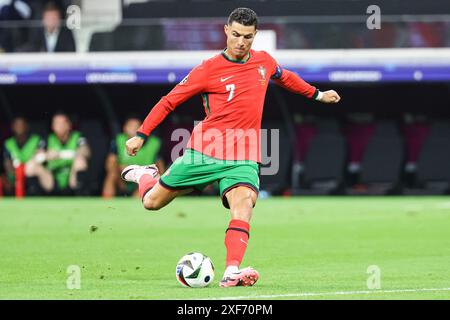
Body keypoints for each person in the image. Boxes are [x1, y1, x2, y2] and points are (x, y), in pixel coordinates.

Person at [121, 7, 341, 287]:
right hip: (205, 151)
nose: (241, 42)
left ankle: (231, 271)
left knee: (244, 203)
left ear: (255, 35)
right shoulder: (208, 69)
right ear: (226, 31)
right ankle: (146, 175)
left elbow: (285, 77)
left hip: (244, 153)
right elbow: (169, 101)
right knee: (151, 203)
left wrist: (318, 95)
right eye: (236, 34)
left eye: (247, 37)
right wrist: (142, 134)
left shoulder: (264, 62)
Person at [25, 112, 90, 195]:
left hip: (71, 178)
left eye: (63, 123)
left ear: (69, 125)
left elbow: (85, 151)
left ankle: (81, 195)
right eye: (57, 123)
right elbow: (35, 156)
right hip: (52, 180)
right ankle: (34, 196)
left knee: (80, 161)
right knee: (31, 165)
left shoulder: (78, 137)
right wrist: (46, 155)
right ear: (52, 126)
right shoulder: (47, 139)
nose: (60, 126)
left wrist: (62, 154)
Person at [102, 115, 164, 198]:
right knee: (111, 175)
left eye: (136, 126)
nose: (133, 129)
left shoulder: (154, 143)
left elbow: (160, 167)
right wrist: (120, 172)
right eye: (130, 126)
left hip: (144, 178)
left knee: (151, 182)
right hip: (122, 177)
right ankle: (106, 204)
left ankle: (132, 205)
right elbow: (110, 163)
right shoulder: (119, 140)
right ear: (124, 128)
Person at [2, 116, 41, 195]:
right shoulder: (8, 143)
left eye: (21, 124)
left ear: (26, 126)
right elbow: (7, 162)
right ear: (12, 127)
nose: (19, 127)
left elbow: (41, 157)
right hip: (14, 176)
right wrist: (11, 176)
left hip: (32, 176)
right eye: (17, 125)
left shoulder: (36, 140)